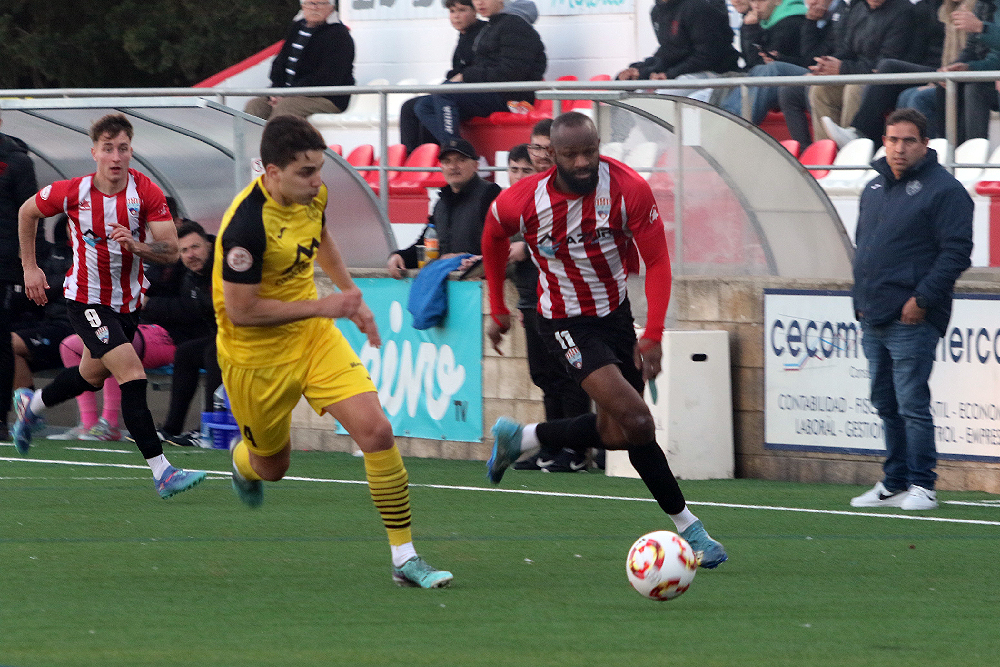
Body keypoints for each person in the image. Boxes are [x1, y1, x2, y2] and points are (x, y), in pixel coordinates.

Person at [481, 112, 727, 568]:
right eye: (570, 154)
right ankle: (691, 528)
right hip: (563, 323)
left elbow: (658, 261)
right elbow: (492, 235)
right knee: (638, 418)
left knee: (618, 431)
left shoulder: (628, 189)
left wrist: (652, 334)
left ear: (599, 147)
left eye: (589, 152)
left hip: (615, 317)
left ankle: (525, 437)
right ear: (551, 156)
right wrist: (498, 306)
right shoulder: (523, 199)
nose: (582, 162)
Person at [216, 115, 452, 587]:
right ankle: (244, 463)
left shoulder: (313, 196)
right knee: (272, 467)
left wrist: (352, 297)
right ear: (273, 171)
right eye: (306, 172)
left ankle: (404, 558)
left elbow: (321, 239)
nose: (317, 181)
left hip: (311, 339)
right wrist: (328, 304)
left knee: (377, 430)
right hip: (254, 357)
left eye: (319, 169)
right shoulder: (245, 225)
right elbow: (243, 311)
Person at [13, 113, 206, 499]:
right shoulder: (74, 191)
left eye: (123, 148)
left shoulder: (146, 192)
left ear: (130, 151)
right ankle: (162, 471)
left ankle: (32, 407)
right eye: (108, 148)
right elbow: (27, 212)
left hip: (127, 304)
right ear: (95, 152)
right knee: (131, 372)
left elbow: (170, 251)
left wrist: (139, 246)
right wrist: (31, 269)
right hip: (85, 300)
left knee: (91, 375)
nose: (116, 156)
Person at [850, 108, 973, 511]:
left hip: (912, 317)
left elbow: (956, 253)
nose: (899, 148)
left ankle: (924, 484)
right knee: (885, 402)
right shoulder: (872, 189)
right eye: (892, 140)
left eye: (908, 140)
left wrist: (922, 300)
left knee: (911, 404)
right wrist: (861, 304)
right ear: (883, 141)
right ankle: (894, 482)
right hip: (875, 315)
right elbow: (864, 251)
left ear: (925, 144)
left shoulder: (946, 190)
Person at [507, 130, 594, 474]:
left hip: (565, 301)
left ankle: (576, 449)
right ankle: (553, 444)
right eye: (535, 148)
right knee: (545, 376)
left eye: (546, 148)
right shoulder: (532, 192)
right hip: (533, 300)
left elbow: (570, 234)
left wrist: (525, 249)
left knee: (569, 376)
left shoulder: (567, 189)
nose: (540, 154)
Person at [826, 2, 1000, 145]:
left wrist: (981, 29)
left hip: (979, 79)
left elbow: (989, 55)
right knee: (891, 73)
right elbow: (971, 51)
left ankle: (955, 154)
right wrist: (957, 68)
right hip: (954, 71)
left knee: (911, 90)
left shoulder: (971, 8)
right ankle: (859, 138)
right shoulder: (959, 8)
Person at [411, 0, 546, 146]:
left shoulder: (515, 25)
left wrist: (466, 75)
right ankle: (446, 152)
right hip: (494, 92)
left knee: (445, 93)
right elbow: (485, 66)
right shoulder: (494, 25)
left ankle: (457, 150)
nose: (480, 3)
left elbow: (511, 71)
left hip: (512, 98)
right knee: (423, 105)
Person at [144, 221, 221, 447]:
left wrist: (150, 304)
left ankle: (210, 430)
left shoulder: (226, 268)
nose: (190, 255)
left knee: (213, 351)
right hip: (221, 336)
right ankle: (171, 428)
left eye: (195, 247)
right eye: (184, 251)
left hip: (250, 336)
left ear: (208, 245)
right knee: (187, 353)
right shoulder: (191, 278)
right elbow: (191, 311)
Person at [386, 138, 501, 278]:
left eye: (461, 160)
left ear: (476, 165)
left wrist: (474, 259)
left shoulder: (490, 194)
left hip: (478, 283)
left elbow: (502, 243)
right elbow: (425, 243)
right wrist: (400, 256)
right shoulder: (441, 202)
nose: (453, 166)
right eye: (447, 162)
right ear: (441, 167)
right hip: (447, 283)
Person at [244, 0, 355, 120]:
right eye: (310, 3)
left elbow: (327, 77)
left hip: (327, 97)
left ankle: (275, 139)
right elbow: (279, 63)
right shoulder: (297, 28)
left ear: (332, 8)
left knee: (286, 108)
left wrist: (288, 94)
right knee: (255, 105)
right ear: (303, 6)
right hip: (289, 94)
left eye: (321, 3)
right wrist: (275, 92)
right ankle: (249, 139)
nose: (314, 8)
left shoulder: (339, 35)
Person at [400, 0, 487, 153]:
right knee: (409, 107)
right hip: (458, 92)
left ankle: (457, 150)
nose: (456, 16)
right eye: (452, 11)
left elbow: (478, 69)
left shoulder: (484, 34)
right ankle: (415, 160)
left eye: (462, 10)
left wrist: (458, 78)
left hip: (477, 95)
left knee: (429, 106)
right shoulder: (464, 36)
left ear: (475, 11)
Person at [0, 108, 39, 441]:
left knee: (0, 340)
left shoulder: (17, 161)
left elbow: (31, 216)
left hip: (4, 266)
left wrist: (28, 265)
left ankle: (0, 418)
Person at [616, 0, 740, 103]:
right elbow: (669, 51)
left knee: (660, 99)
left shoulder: (697, 7)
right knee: (634, 99)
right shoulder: (657, 11)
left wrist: (669, 74)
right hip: (682, 72)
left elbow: (707, 55)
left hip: (715, 72)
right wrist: (641, 72)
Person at [719, 0, 811, 124]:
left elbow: (756, 62)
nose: (756, 5)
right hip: (783, 77)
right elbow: (751, 61)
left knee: (769, 70)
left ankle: (735, 123)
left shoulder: (791, 21)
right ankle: (725, 117)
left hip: (800, 79)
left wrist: (750, 30)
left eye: (761, 1)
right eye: (752, 1)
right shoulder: (765, 19)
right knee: (727, 81)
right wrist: (748, 28)